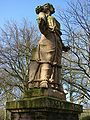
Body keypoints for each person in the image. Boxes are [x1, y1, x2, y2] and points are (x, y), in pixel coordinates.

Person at [29, 3, 69, 90]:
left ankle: (55, 83)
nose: (48, 7)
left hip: (57, 39)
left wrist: (63, 46)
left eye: (48, 6)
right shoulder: (42, 14)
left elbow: (58, 34)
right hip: (48, 37)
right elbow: (42, 25)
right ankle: (44, 80)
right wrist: (41, 21)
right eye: (46, 6)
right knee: (47, 58)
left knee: (56, 62)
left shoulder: (53, 19)